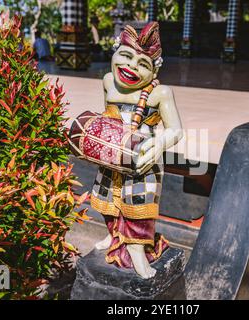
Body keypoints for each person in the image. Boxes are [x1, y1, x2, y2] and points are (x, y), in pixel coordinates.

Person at [92, 22, 183, 279]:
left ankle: (136, 251)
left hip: (143, 160)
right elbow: (106, 115)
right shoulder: (109, 81)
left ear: (154, 69)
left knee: (139, 209)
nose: (132, 66)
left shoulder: (160, 93)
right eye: (126, 56)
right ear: (114, 52)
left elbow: (175, 130)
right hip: (112, 156)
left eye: (143, 63)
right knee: (107, 201)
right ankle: (113, 236)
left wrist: (160, 144)